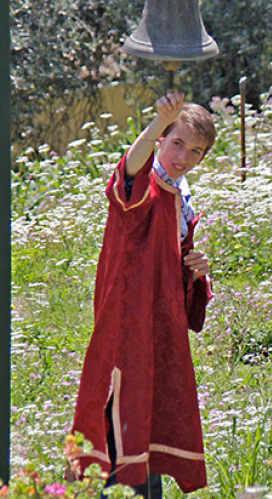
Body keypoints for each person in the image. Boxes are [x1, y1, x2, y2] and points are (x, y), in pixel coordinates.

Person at [70, 93, 215, 497]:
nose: (183, 157)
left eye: (196, 151)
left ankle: (144, 490)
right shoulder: (145, 186)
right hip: (126, 322)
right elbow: (128, 173)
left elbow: (173, 272)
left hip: (161, 331)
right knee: (119, 406)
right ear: (160, 143)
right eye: (177, 143)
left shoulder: (180, 200)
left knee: (150, 413)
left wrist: (194, 271)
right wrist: (157, 123)